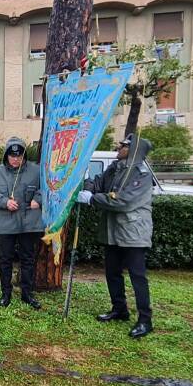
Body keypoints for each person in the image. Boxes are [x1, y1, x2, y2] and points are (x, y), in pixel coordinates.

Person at [78, 133, 155, 339]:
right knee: (112, 272)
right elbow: (96, 182)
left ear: (134, 150)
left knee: (137, 276)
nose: (119, 146)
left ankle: (145, 320)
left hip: (133, 233)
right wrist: (88, 189)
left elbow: (125, 201)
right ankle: (119, 309)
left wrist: (93, 199)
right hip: (112, 232)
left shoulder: (141, 174)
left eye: (125, 145)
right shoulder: (115, 168)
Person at [0, 137, 43, 309]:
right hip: (6, 224)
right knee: (5, 260)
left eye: (19, 156)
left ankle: (27, 294)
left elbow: (47, 188)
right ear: (6, 156)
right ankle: (6, 294)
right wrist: (4, 202)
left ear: (24, 155)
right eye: (12, 156)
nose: (16, 159)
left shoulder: (36, 171)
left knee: (28, 259)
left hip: (29, 223)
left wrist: (38, 199)